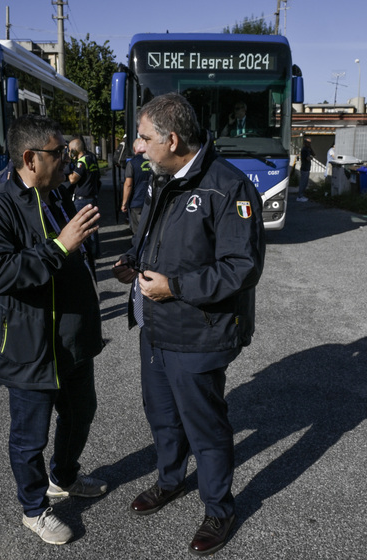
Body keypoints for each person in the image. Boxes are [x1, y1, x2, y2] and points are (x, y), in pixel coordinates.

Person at [112, 93, 265, 557]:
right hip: (155, 327)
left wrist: (175, 287)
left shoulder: (228, 186)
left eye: (143, 137)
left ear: (172, 139)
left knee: (206, 426)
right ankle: (170, 480)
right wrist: (133, 261)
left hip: (198, 331)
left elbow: (243, 267)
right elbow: (157, 240)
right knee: (162, 416)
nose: (136, 147)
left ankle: (219, 509)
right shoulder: (164, 178)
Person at [0, 115, 106, 546]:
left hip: (70, 338)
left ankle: (63, 476)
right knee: (30, 437)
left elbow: (76, 258)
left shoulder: (57, 195)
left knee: (81, 413)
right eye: (59, 151)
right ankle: (34, 509)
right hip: (28, 345)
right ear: (30, 158)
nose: (68, 156)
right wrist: (60, 246)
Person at [67, 136, 101, 257]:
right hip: (92, 197)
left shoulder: (82, 161)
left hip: (83, 200)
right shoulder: (91, 158)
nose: (69, 152)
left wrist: (68, 171)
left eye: (70, 149)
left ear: (75, 150)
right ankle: (95, 253)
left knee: (84, 228)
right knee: (92, 228)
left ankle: (89, 254)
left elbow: (73, 179)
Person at [120, 137, 151, 235]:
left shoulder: (132, 163)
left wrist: (124, 203)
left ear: (134, 149)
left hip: (137, 202)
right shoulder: (154, 161)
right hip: (152, 201)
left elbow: (128, 184)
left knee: (138, 233)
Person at [297, 136, 315, 202]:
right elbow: (307, 158)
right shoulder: (304, 150)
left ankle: (302, 195)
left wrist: (310, 148)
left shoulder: (308, 149)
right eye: (308, 142)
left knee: (305, 183)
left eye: (310, 142)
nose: (309, 144)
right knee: (303, 182)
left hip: (307, 168)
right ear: (305, 143)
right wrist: (310, 158)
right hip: (304, 168)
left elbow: (314, 154)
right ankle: (300, 196)